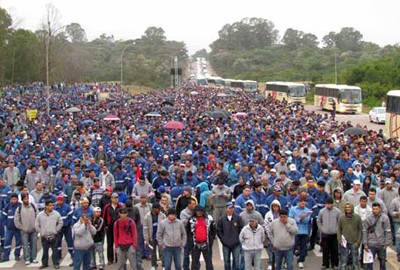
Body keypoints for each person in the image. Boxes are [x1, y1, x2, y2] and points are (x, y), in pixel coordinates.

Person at [363, 202, 392, 270]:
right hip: (370, 244)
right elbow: (364, 231)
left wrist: (386, 243)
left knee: (382, 263)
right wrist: (365, 244)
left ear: (380, 209)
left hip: (381, 244)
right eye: (373, 209)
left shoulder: (385, 218)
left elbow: (387, 231)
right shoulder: (368, 218)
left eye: (376, 209)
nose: (374, 210)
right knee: (369, 264)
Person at [35, 200, 63, 269]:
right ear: (46, 206)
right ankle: (44, 263)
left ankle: (56, 263)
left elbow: (60, 222)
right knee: (45, 251)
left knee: (55, 251)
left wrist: (56, 230)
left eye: (53, 205)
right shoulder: (40, 215)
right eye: (50, 205)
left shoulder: (56, 214)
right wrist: (40, 232)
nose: (52, 207)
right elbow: (36, 224)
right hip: (44, 236)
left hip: (53, 235)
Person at [187, 205, 216, 270]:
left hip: (206, 244)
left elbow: (214, 229)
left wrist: (212, 238)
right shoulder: (191, 220)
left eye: (200, 211)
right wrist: (190, 240)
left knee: (209, 263)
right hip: (195, 245)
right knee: (194, 264)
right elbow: (188, 230)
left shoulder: (209, 219)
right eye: (197, 212)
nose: (199, 213)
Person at [217, 202, 244, 270]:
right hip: (226, 245)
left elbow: (241, 229)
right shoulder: (221, 219)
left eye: (232, 208)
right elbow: (219, 230)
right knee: (226, 262)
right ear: (226, 209)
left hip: (236, 244)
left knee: (236, 262)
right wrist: (223, 240)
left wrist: (238, 239)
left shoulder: (238, 218)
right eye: (229, 208)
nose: (231, 210)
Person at [14, 193, 39, 265]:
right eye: (25, 199)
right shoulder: (19, 208)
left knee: (34, 245)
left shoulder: (33, 207)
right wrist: (21, 227)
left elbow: (38, 216)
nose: (26, 200)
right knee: (25, 246)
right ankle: (27, 259)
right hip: (24, 231)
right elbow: (16, 219)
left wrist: (36, 226)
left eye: (27, 198)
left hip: (33, 230)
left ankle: (33, 258)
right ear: (22, 200)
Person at [317, 197, 341, 270]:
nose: (329, 206)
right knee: (325, 250)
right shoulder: (322, 211)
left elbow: (340, 222)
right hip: (325, 234)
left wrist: (337, 230)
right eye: (327, 204)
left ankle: (335, 264)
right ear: (325, 204)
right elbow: (318, 220)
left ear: (333, 204)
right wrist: (321, 228)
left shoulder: (338, 212)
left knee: (335, 250)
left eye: (330, 204)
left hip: (334, 234)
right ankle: (325, 264)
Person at [337, 202, 362, 270]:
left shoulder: (357, 218)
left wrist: (358, 242)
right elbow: (339, 229)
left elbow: (360, 230)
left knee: (355, 262)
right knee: (343, 262)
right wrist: (340, 240)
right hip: (344, 242)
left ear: (352, 208)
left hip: (354, 242)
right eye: (346, 207)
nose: (348, 209)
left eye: (349, 207)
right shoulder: (341, 217)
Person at [289, 198, 311, 269]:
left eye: (304, 204)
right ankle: (288, 261)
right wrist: (300, 219)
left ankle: (300, 260)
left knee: (303, 248)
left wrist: (298, 218)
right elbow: (291, 219)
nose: (303, 205)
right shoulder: (293, 209)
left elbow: (307, 220)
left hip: (304, 231)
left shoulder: (307, 210)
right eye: (302, 203)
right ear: (298, 203)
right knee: (293, 247)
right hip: (295, 231)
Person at [143, 202, 166, 270]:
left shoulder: (163, 215)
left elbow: (165, 227)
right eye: (157, 209)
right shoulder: (147, 216)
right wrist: (146, 239)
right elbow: (145, 228)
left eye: (159, 209)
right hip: (151, 237)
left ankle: (164, 265)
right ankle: (154, 265)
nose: (158, 210)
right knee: (153, 252)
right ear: (153, 209)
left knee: (162, 251)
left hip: (160, 237)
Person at [103, 192, 124, 264]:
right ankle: (110, 259)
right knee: (110, 243)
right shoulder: (107, 207)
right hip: (110, 227)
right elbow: (104, 216)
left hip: (118, 227)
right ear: (111, 199)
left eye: (117, 198)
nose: (115, 199)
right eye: (114, 198)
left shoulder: (121, 206)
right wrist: (105, 225)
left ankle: (118, 258)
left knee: (118, 243)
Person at [1, 193, 21, 263]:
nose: (13, 200)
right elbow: (4, 215)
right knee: (7, 242)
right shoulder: (8, 206)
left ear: (17, 199)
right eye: (12, 199)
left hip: (17, 229)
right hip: (9, 229)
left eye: (15, 199)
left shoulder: (20, 206)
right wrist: (5, 223)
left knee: (18, 242)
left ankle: (17, 255)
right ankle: (6, 257)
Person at [54, 194, 74, 264]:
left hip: (67, 228)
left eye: (61, 200)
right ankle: (59, 255)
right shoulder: (55, 208)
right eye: (58, 200)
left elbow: (70, 217)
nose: (59, 201)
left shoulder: (67, 207)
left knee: (70, 241)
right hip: (58, 228)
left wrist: (68, 224)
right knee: (58, 242)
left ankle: (72, 254)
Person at [264, 199, 281, 270]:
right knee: (270, 250)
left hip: (279, 235)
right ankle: (270, 263)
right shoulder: (268, 214)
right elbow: (266, 224)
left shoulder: (281, 214)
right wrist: (269, 234)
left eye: (277, 207)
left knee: (278, 251)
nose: (275, 208)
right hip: (270, 235)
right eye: (274, 206)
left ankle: (277, 263)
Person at [389, 186, 400, 262]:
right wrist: (397, 213)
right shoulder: (395, 201)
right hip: (397, 222)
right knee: (398, 240)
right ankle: (399, 254)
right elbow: (391, 211)